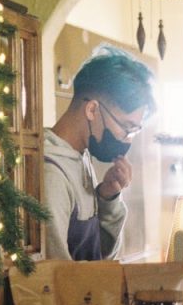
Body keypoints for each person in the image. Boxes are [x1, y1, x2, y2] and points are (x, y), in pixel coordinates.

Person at [44, 46, 155, 261]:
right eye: (126, 126)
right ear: (92, 110)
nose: (126, 139)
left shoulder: (81, 157)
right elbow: (56, 280)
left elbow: (102, 260)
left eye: (134, 131)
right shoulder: (52, 173)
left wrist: (108, 197)